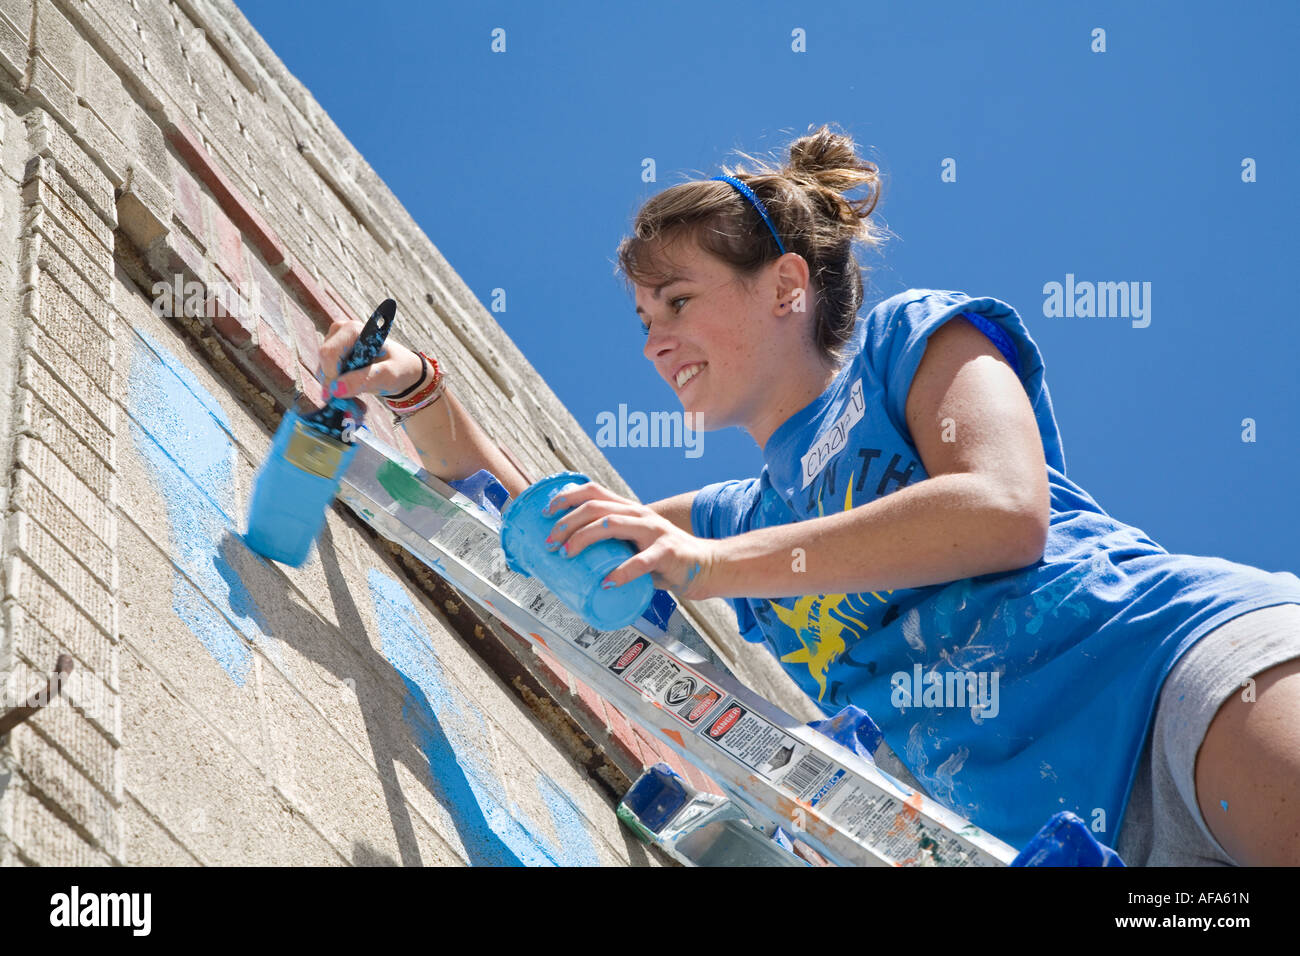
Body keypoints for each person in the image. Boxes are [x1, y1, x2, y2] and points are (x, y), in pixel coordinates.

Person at [320, 123, 1300, 866]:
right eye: (639, 316)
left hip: (1172, 675)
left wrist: (711, 565)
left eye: (679, 299)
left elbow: (1001, 509)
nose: (653, 338)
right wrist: (414, 386)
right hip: (1054, 831)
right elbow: (533, 522)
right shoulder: (742, 514)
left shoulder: (905, 341)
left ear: (785, 285)